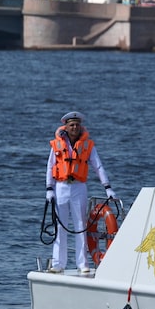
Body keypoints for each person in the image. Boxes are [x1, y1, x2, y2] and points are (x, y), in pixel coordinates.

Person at [46, 111, 116, 275]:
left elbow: (98, 166)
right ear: (66, 126)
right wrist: (49, 188)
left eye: (77, 125)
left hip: (79, 187)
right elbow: (50, 167)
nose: (75, 127)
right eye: (71, 125)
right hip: (61, 187)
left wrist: (107, 187)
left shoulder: (88, 145)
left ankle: (82, 263)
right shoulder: (57, 145)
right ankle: (58, 263)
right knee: (60, 226)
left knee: (80, 226)